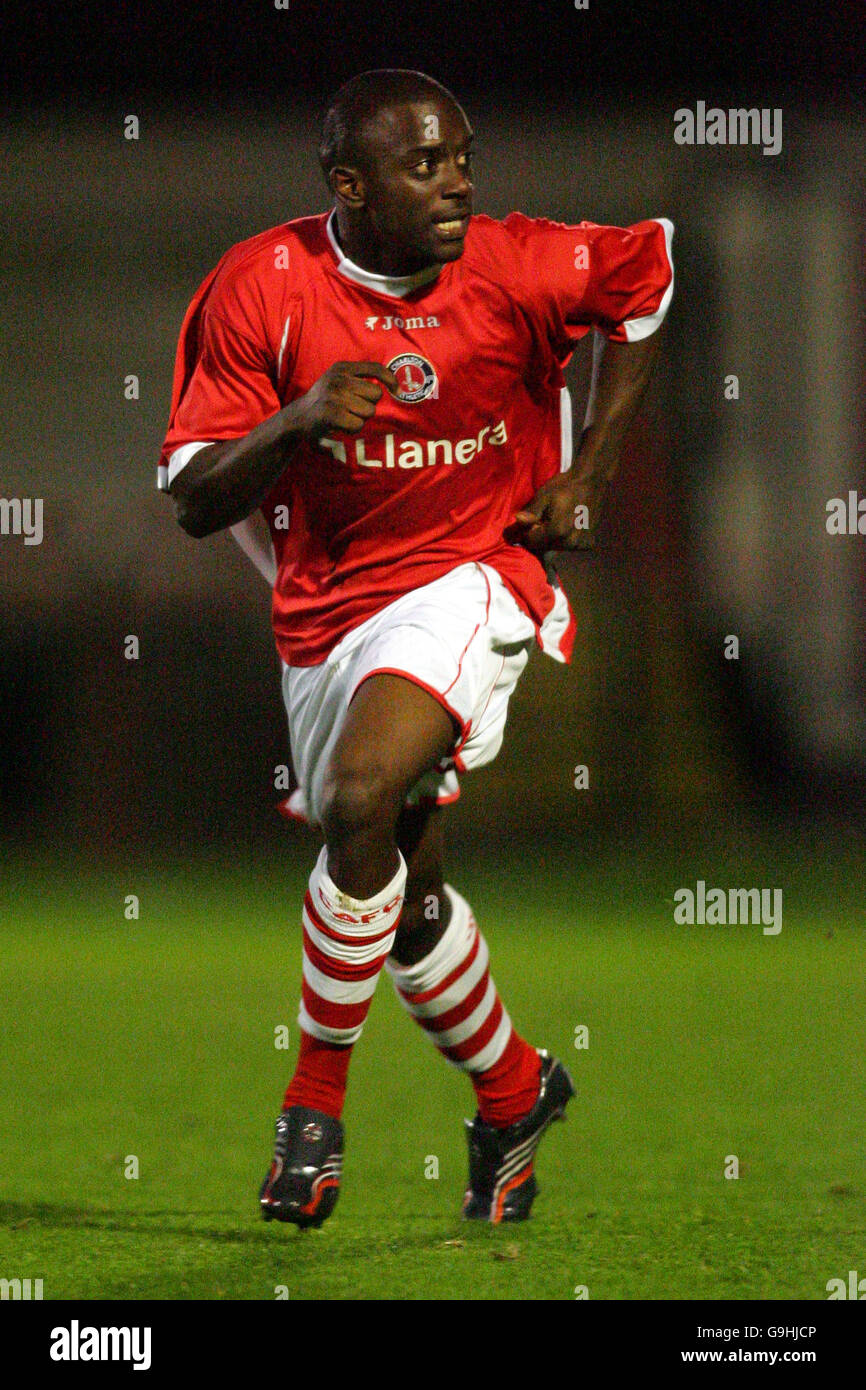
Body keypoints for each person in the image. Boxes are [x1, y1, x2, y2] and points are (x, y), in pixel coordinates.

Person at [158, 68, 674, 1228]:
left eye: (462, 158)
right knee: (401, 890)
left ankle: (311, 1108)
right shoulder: (259, 288)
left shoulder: (516, 262)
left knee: (354, 798)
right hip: (324, 609)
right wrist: (291, 422)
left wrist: (585, 474)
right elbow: (194, 496)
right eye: (425, 165)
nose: (457, 184)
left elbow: (645, 275)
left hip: (472, 574)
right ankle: (513, 1086)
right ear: (348, 184)